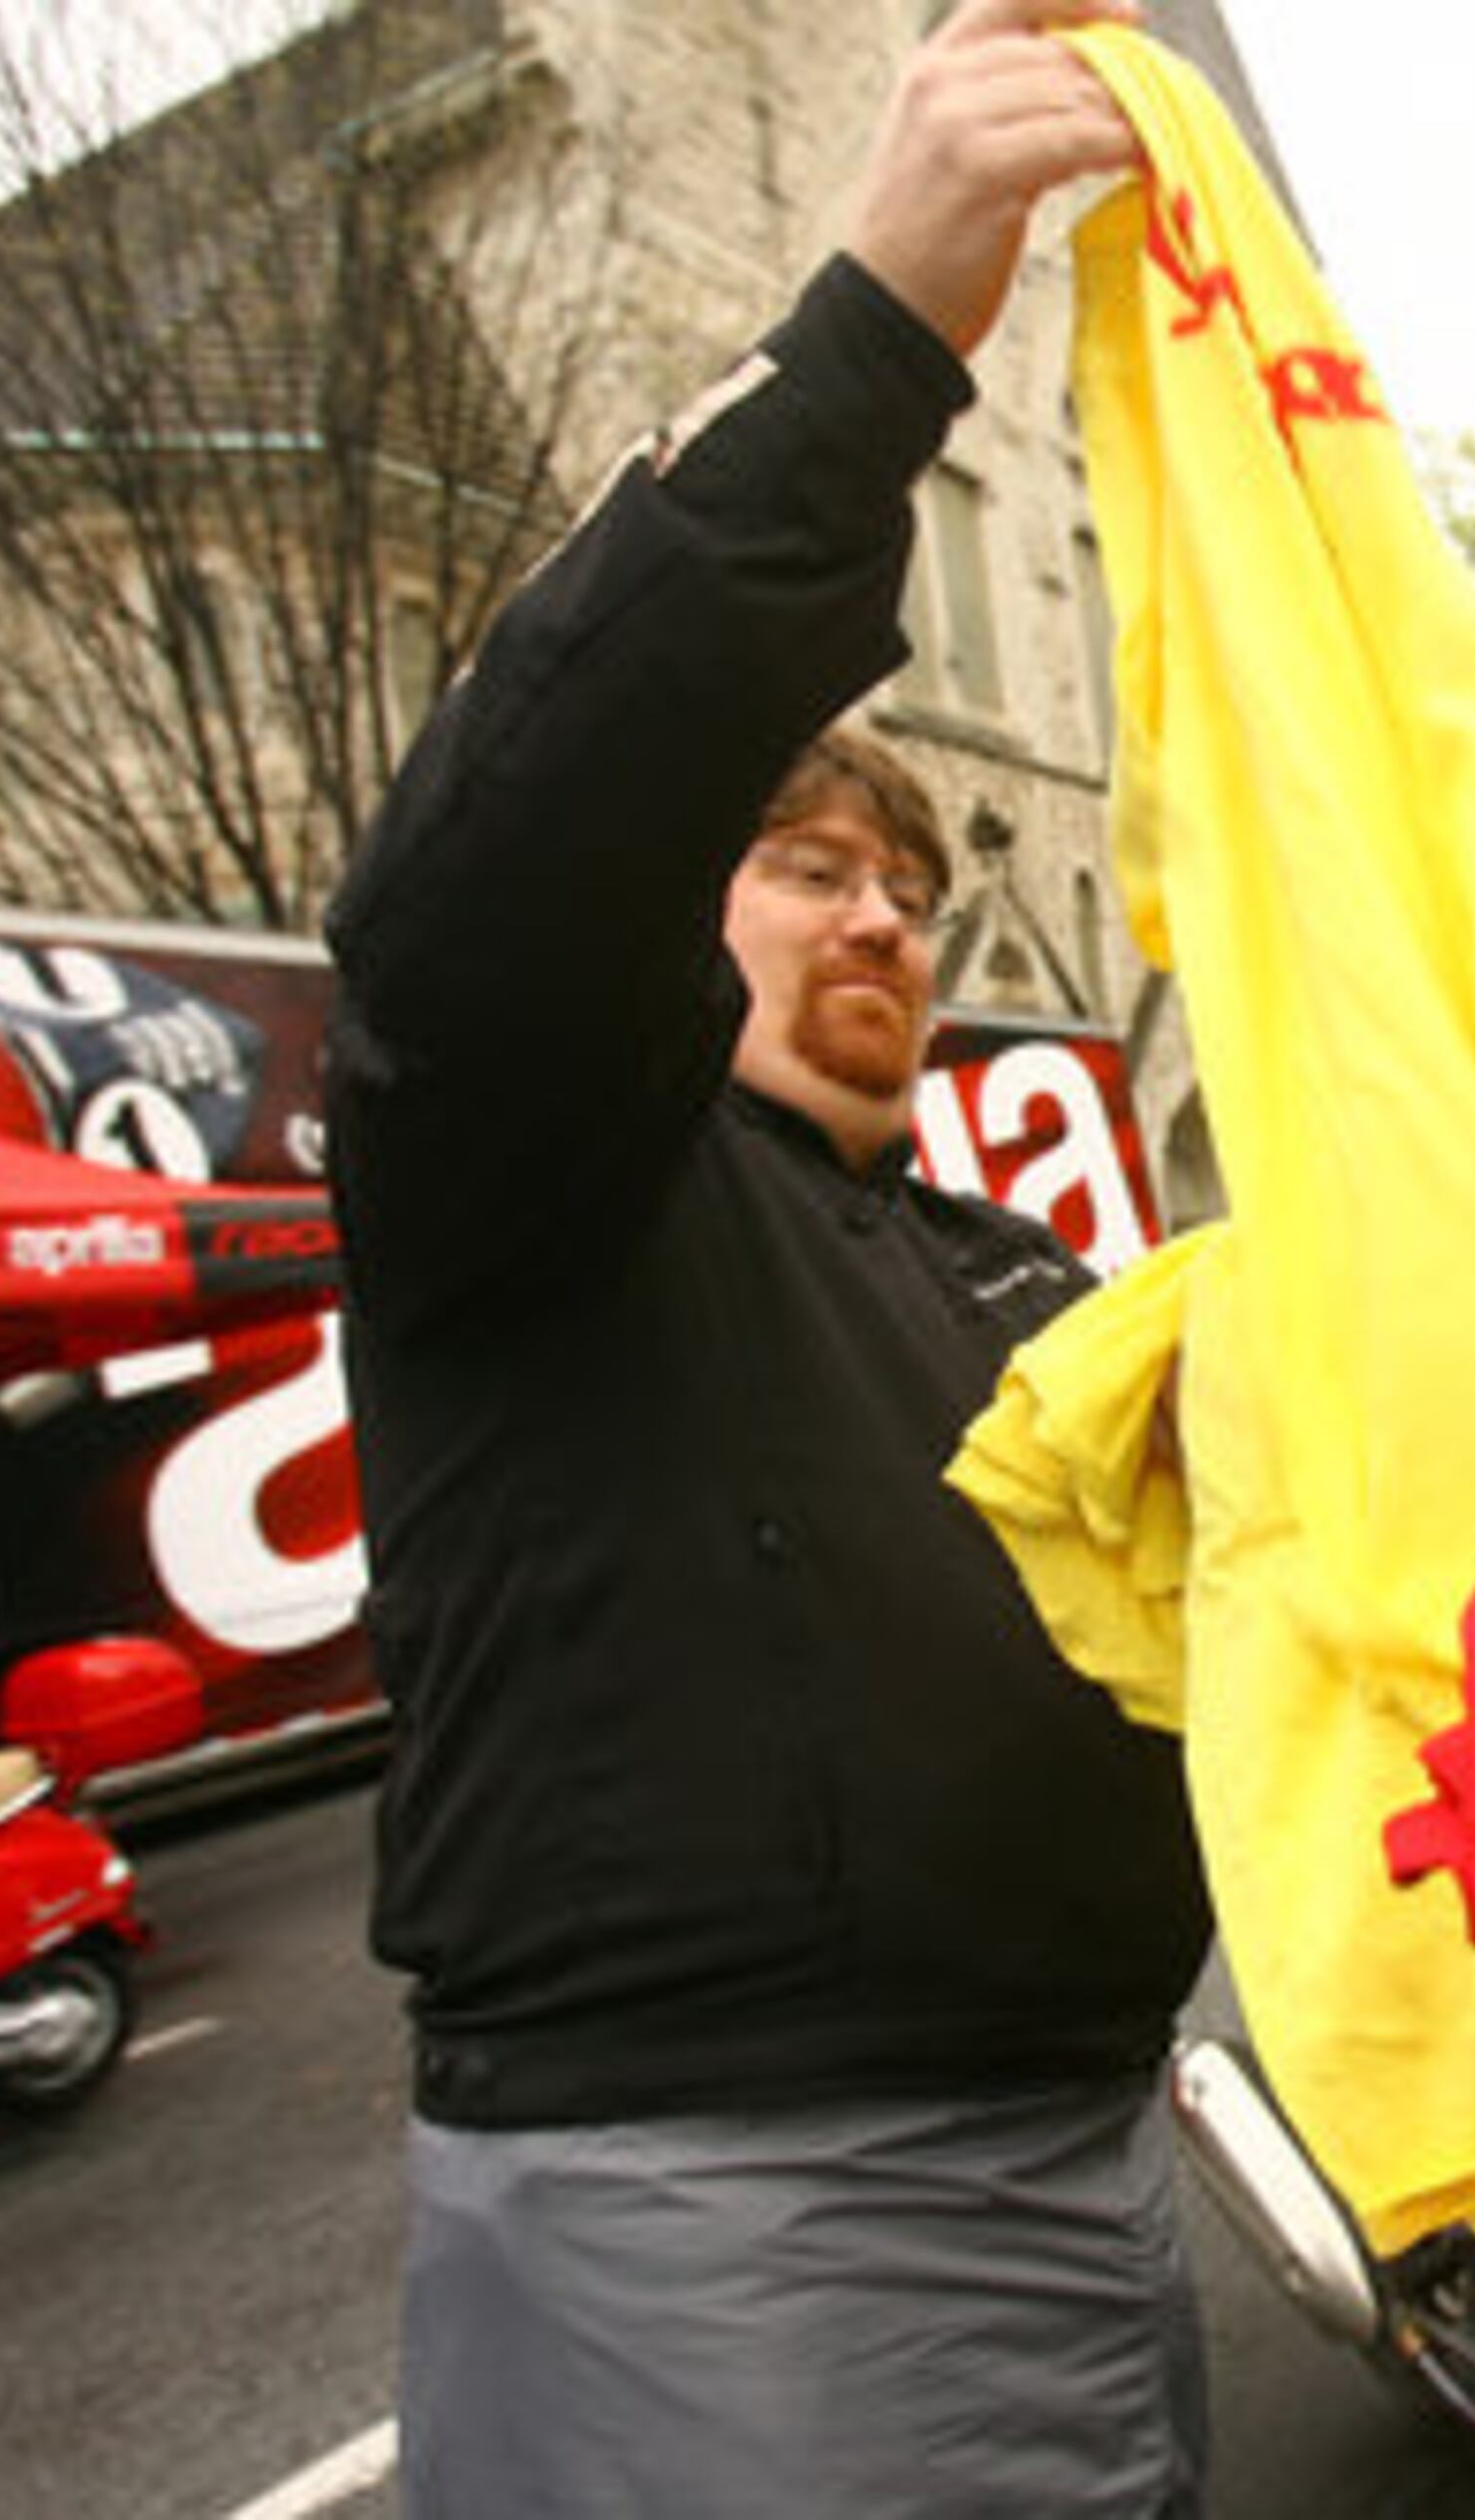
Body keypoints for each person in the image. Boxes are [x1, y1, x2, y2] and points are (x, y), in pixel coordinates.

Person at [321, 6, 1210, 2512]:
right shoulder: (541, 1178)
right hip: (716, 2239)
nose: (879, 921)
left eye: (910, 889)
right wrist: (878, 334)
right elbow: (504, 871)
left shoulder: (998, 1268)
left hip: (1096, 2177)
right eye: (808, 867)